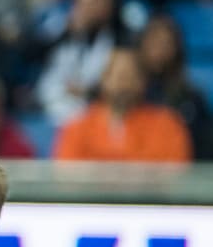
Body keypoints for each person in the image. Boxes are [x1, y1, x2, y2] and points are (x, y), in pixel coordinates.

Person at [53, 47, 193, 163]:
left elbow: (176, 175)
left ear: (143, 82)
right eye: (118, 75)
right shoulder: (76, 128)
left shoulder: (168, 126)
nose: (124, 83)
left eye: (131, 76)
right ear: (103, 80)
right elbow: (67, 178)